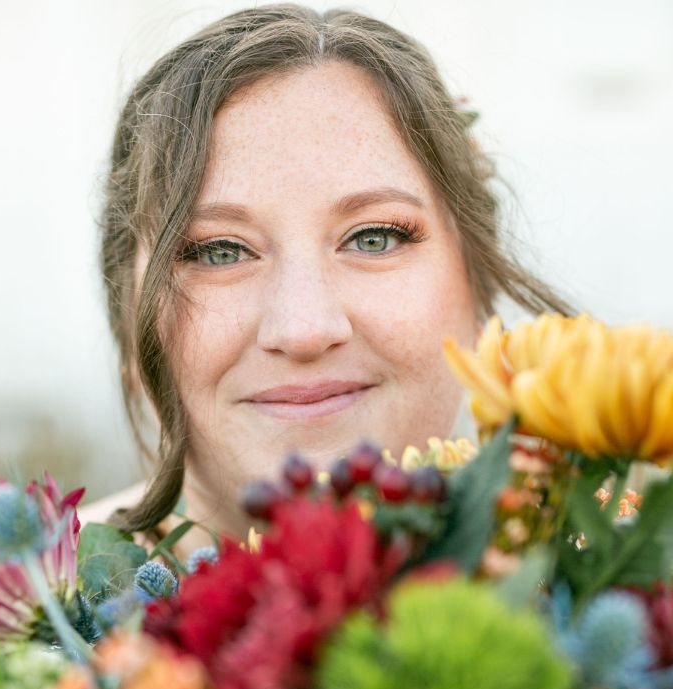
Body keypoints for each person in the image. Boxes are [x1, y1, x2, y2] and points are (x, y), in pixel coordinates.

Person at [86, 3, 572, 553]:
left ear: (480, 287)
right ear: (125, 312)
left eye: (375, 238)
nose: (304, 330)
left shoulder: (622, 582)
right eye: (220, 251)